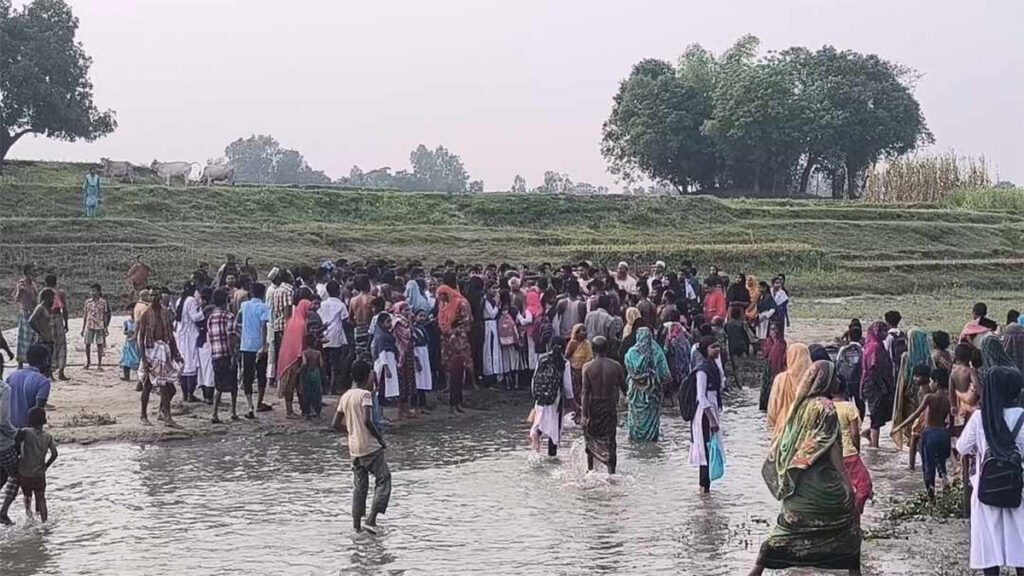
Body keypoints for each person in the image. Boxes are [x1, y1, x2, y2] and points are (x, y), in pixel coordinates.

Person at [750, 360, 861, 576]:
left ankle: (757, 569)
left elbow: (787, 444)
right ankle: (854, 572)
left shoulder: (799, 406)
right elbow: (831, 448)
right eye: (834, 376)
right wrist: (847, 483)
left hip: (797, 487)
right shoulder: (826, 408)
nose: (838, 381)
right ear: (825, 381)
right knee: (849, 525)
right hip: (822, 487)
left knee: (785, 532)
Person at [955, 366, 1024, 576]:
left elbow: (962, 447)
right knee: (1021, 545)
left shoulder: (979, 418)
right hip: (1018, 490)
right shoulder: (1022, 417)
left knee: (989, 548)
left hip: (986, 490)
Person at [332, 359, 390, 534]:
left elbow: (335, 424)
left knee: (359, 487)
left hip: (354, 448)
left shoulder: (346, 396)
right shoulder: (365, 395)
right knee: (384, 479)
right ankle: (371, 519)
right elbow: (367, 420)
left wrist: (350, 431)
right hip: (370, 446)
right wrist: (380, 439)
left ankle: (356, 525)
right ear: (367, 376)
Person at [893, 366, 952, 498]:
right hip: (944, 434)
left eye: (931, 381)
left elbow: (916, 414)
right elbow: (952, 422)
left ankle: (930, 494)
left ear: (936, 382)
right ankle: (944, 481)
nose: (930, 384)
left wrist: (900, 426)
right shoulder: (949, 399)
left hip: (930, 433)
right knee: (941, 462)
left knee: (928, 466)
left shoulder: (930, 397)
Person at [581, 336, 625, 473]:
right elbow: (625, 389)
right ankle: (611, 472)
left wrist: (583, 416)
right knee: (610, 440)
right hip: (609, 407)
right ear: (607, 349)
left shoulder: (587, 368)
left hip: (594, 408)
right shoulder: (616, 366)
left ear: (593, 350)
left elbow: (585, 393)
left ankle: (590, 470)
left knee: (591, 438)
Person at [138, 292, 182, 427]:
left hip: (164, 350)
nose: (154, 298)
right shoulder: (146, 314)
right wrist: (144, 359)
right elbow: (140, 338)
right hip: (151, 351)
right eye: (152, 296)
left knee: (170, 388)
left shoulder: (165, 313)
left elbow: (171, 335)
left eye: (156, 296)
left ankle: (161, 413)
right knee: (151, 385)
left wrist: (176, 352)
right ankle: (152, 415)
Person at [529, 336, 576, 456]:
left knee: (540, 422)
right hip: (555, 400)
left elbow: (534, 379)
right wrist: (574, 405)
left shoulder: (542, 359)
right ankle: (552, 457)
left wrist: (535, 397)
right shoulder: (564, 363)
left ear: (549, 346)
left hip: (540, 399)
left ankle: (536, 438)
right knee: (554, 430)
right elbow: (568, 387)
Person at [891, 329, 933, 458]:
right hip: (925, 398)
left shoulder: (906, 357)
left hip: (909, 398)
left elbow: (902, 379)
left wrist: (899, 400)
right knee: (923, 426)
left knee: (912, 431)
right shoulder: (929, 358)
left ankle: (912, 460)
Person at [624, 327, 670, 442]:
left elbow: (628, 369)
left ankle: (635, 439)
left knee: (635, 416)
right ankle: (651, 440)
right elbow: (664, 375)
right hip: (652, 393)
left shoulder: (630, 353)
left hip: (635, 392)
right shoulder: (657, 352)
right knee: (651, 416)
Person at [691, 337, 724, 493]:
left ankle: (706, 490)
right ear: (706, 350)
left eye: (718, 346)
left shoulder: (714, 366)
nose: (717, 349)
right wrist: (711, 419)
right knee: (705, 449)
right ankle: (704, 487)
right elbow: (701, 397)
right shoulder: (702, 370)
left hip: (712, 411)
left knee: (710, 448)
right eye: (713, 347)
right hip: (704, 414)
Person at [833, 380, 872, 514]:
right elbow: (855, 433)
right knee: (864, 486)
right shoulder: (849, 408)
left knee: (841, 485)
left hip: (831, 454)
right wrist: (857, 449)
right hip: (848, 452)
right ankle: (855, 513)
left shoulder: (826, 407)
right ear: (845, 390)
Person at [15, 407, 57, 523]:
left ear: (30, 421)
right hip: (39, 474)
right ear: (44, 421)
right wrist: (46, 466)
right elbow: (54, 454)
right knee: (41, 498)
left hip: (25, 473)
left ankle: (29, 516)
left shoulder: (26, 432)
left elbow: (16, 441)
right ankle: (45, 522)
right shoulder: (48, 436)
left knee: (27, 496)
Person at [437, 284, 473, 413]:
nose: (440, 299)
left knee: (459, 371)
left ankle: (458, 402)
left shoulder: (460, 304)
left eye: (442, 296)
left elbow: (466, 322)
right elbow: (441, 322)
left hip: (458, 341)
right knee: (451, 372)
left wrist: (454, 332)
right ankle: (453, 403)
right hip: (447, 343)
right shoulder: (442, 305)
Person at [276, 298, 314, 418]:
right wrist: (301, 357)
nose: (310, 312)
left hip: (287, 356)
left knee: (293, 384)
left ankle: (296, 409)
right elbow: (300, 342)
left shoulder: (291, 321)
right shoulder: (301, 324)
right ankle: (290, 411)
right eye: (309, 309)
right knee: (293, 384)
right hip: (295, 358)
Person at [766, 343, 812, 439]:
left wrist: (771, 426)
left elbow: (773, 408)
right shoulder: (812, 379)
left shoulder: (781, 379)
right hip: (807, 429)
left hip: (783, 429)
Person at [238, 282, 271, 417]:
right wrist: (264, 345)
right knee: (261, 374)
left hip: (246, 345)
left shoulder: (244, 305)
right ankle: (259, 402)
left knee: (248, 375)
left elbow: (238, 320)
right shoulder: (263, 307)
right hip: (258, 345)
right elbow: (264, 327)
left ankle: (250, 405)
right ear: (263, 294)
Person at [861, 321, 895, 448]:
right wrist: (883, 386)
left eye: (886, 330)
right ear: (876, 332)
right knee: (876, 413)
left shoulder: (877, 345)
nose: (885, 333)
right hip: (874, 385)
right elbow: (873, 369)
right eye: (882, 331)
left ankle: (870, 433)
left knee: (881, 413)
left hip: (877, 384)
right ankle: (874, 445)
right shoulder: (875, 347)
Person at [207, 288, 238, 424]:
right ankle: (233, 411)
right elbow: (231, 337)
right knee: (233, 384)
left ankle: (214, 413)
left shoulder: (211, 317)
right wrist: (233, 355)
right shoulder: (228, 316)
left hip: (215, 353)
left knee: (218, 385)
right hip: (226, 354)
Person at [6, 344, 51, 429]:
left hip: (9, 428)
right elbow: (38, 410)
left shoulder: (12, 376)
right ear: (44, 360)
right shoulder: (43, 381)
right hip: (28, 430)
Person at [320, 280, 352, 395]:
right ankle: (333, 388)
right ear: (338, 291)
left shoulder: (322, 304)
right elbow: (345, 320)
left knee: (324, 362)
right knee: (335, 363)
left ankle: (324, 387)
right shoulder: (341, 305)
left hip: (324, 334)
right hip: (336, 336)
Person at [11, 264, 38, 369]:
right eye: (32, 270)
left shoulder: (32, 284)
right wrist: (19, 291)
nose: (34, 272)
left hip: (32, 312)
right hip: (25, 312)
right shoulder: (21, 284)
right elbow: (16, 299)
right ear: (27, 271)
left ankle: (32, 361)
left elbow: (35, 299)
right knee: (23, 338)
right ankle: (20, 362)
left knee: (33, 337)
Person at [0, 376, 19, 525]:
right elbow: (2, 419)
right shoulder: (4, 389)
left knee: (2, 475)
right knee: (16, 475)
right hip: (3, 445)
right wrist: (15, 433)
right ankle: (3, 512)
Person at [43, 275, 68, 381]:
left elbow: (40, 308)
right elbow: (64, 309)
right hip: (57, 318)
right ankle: (61, 372)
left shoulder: (43, 293)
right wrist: (66, 323)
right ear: (56, 282)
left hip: (47, 319)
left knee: (49, 345)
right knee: (61, 345)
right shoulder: (60, 293)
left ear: (46, 283)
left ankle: (50, 373)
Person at [81, 283, 111, 371]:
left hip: (99, 326)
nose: (92, 293)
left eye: (94, 291)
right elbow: (85, 315)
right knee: (87, 344)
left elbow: (105, 315)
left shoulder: (103, 302)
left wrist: (106, 327)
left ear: (98, 291)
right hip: (89, 325)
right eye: (91, 291)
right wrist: (83, 328)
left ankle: (99, 364)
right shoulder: (88, 302)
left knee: (99, 345)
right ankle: (88, 362)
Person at [760, 321, 787, 412]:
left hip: (778, 369)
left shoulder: (781, 344)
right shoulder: (768, 341)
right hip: (769, 369)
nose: (772, 332)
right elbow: (765, 354)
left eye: (774, 329)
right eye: (771, 329)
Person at [28, 288, 55, 376]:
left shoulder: (47, 308)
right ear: (47, 297)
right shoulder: (40, 308)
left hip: (49, 338)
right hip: (43, 339)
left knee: (49, 359)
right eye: (52, 297)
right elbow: (31, 321)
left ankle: (49, 375)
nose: (53, 299)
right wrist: (40, 332)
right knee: (43, 360)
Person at [300, 333, 324, 418]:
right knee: (317, 392)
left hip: (307, 373)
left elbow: (304, 363)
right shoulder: (318, 353)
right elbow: (321, 364)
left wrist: (299, 371)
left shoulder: (305, 353)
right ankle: (317, 411)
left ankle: (307, 412)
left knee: (307, 392)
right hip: (316, 372)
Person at [120, 304, 141, 382]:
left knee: (137, 358)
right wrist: (128, 332)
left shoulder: (139, 321)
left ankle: (140, 377)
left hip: (137, 342)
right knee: (126, 358)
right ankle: (127, 376)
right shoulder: (127, 322)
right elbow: (124, 331)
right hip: (129, 341)